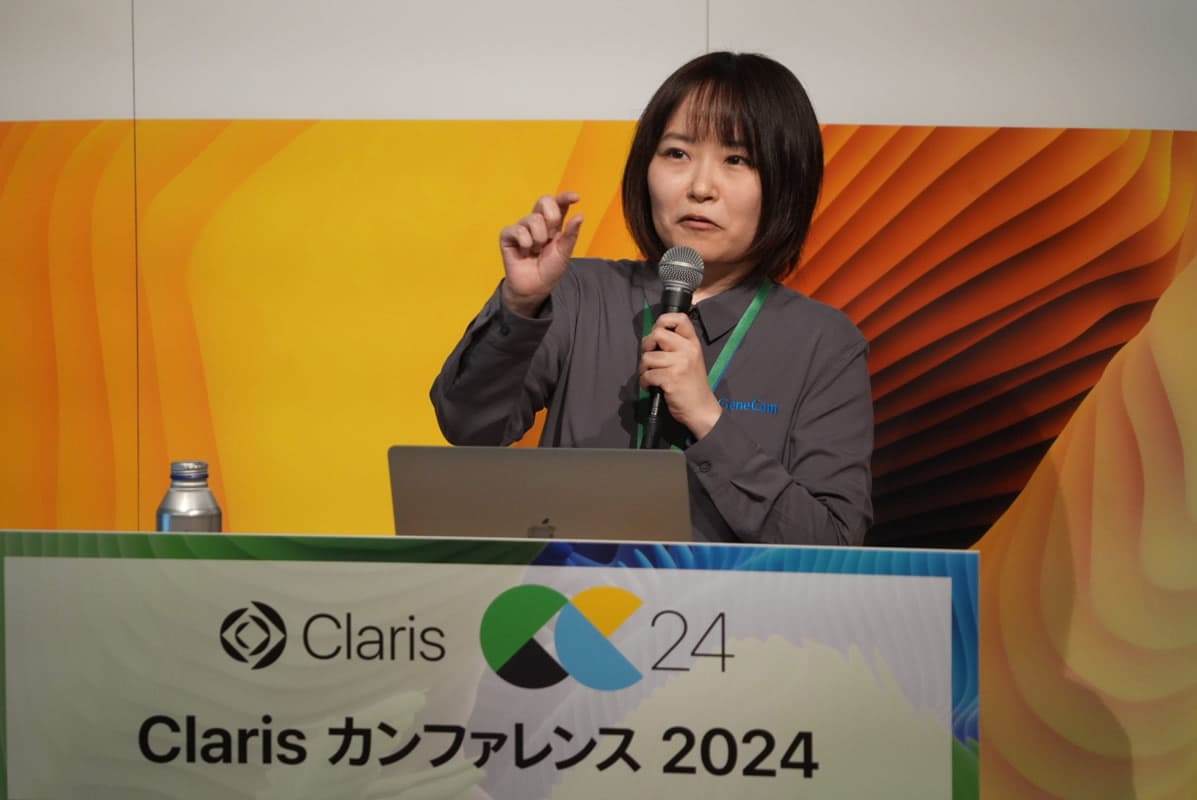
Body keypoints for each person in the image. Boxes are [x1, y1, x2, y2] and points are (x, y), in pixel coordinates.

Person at [431, 52, 873, 546]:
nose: (700, 187)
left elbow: (834, 545)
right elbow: (468, 426)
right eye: (677, 153)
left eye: (737, 160)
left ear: (788, 182)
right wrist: (520, 306)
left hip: (732, 599)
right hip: (572, 591)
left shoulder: (824, 343)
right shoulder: (579, 293)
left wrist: (708, 420)